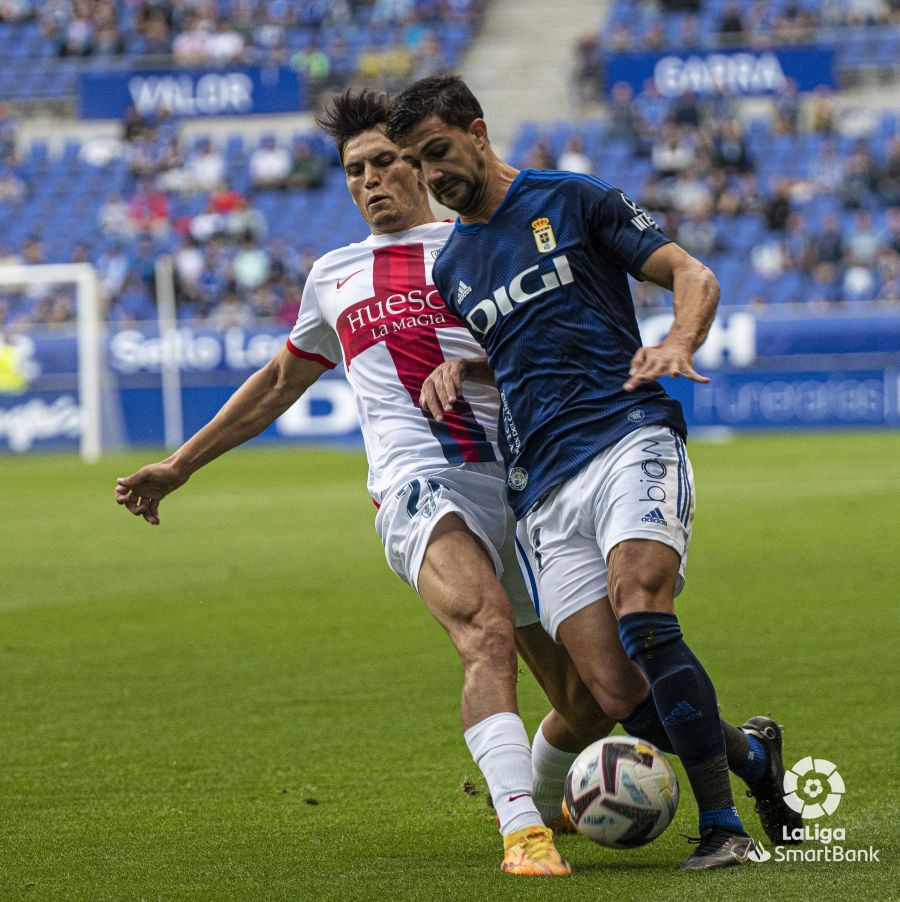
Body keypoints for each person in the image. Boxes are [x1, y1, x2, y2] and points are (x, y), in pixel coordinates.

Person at [115, 89, 612, 878]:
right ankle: (524, 834)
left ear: (421, 163)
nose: (370, 181)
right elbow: (279, 382)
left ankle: (541, 796)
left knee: (591, 699)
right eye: (355, 171)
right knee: (483, 628)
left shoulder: (481, 245)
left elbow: (561, 345)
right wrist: (179, 466)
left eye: (384, 162)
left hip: (523, 485)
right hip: (419, 485)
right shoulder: (333, 275)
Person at [387, 74, 802, 871]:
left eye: (437, 152)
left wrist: (679, 340)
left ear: (477, 131)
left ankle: (723, 828)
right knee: (614, 696)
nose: (430, 174)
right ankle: (754, 760)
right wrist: (461, 373)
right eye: (415, 161)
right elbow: (521, 351)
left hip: (626, 433)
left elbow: (693, 274)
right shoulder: (455, 265)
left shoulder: (571, 199)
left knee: (642, 608)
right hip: (542, 488)